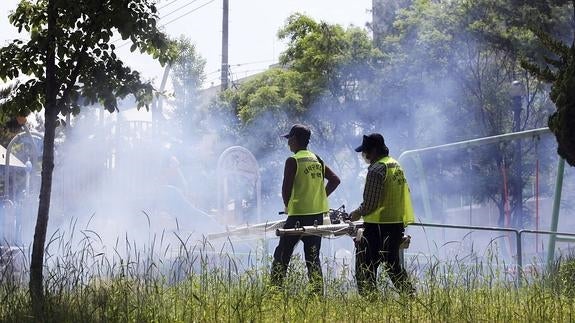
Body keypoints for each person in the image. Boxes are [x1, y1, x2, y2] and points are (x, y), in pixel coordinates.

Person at [270, 124, 341, 294]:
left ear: (295, 139)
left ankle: (274, 293)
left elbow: (285, 190)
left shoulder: (293, 160)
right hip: (316, 217)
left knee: (281, 255)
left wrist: (288, 206)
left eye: (289, 140)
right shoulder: (317, 159)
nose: (288, 144)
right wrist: (320, 197)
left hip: (297, 217)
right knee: (313, 257)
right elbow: (335, 180)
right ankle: (317, 295)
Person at [350, 133, 415, 297]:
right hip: (395, 224)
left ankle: (370, 301)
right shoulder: (395, 165)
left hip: (377, 226)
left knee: (365, 266)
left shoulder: (376, 169)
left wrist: (356, 213)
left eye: (365, 152)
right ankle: (410, 295)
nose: (364, 156)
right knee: (393, 264)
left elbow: (370, 203)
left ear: (373, 150)